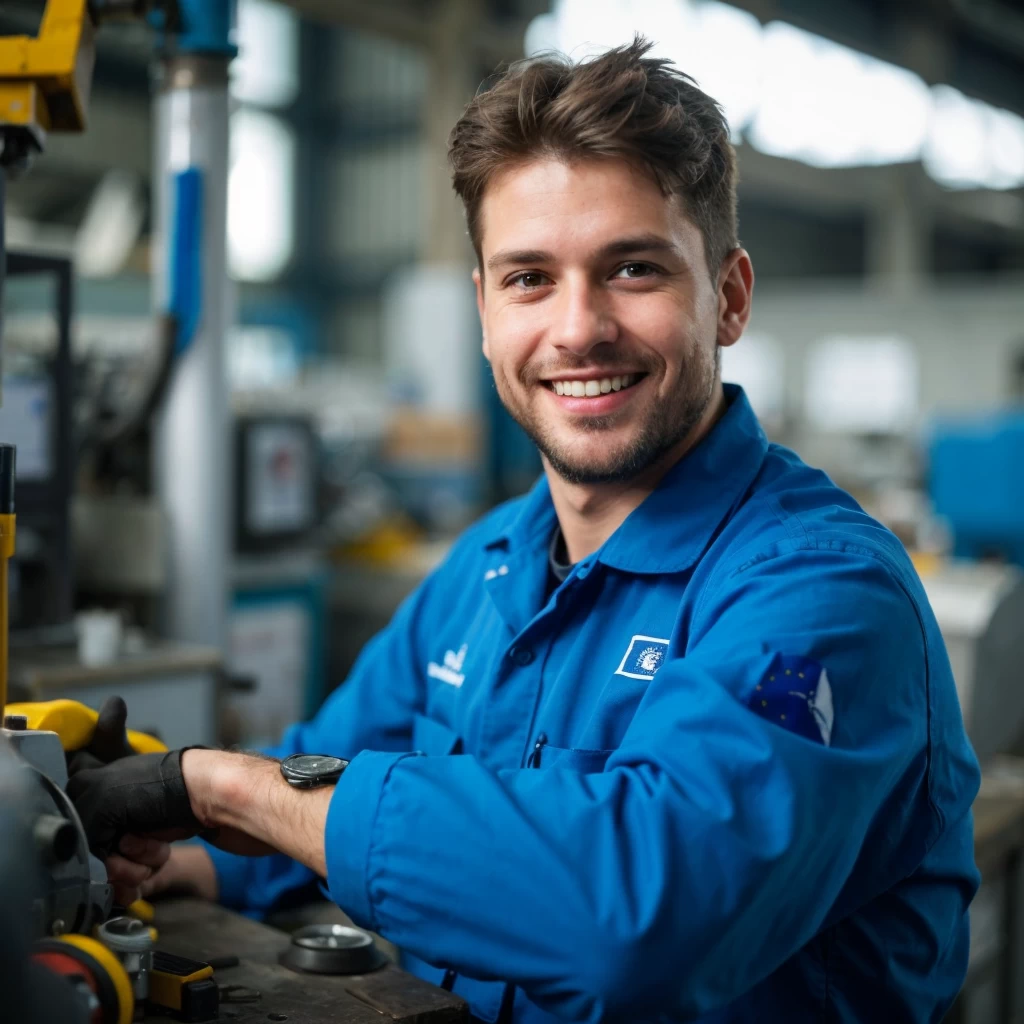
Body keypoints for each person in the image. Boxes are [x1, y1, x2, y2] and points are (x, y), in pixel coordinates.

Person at [67, 38, 981, 1023]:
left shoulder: (820, 593)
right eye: (529, 278)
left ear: (727, 296)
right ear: (483, 311)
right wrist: (173, 859)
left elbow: (632, 914)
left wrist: (223, 789)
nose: (577, 327)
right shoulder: (490, 568)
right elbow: (324, 765)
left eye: (632, 269)